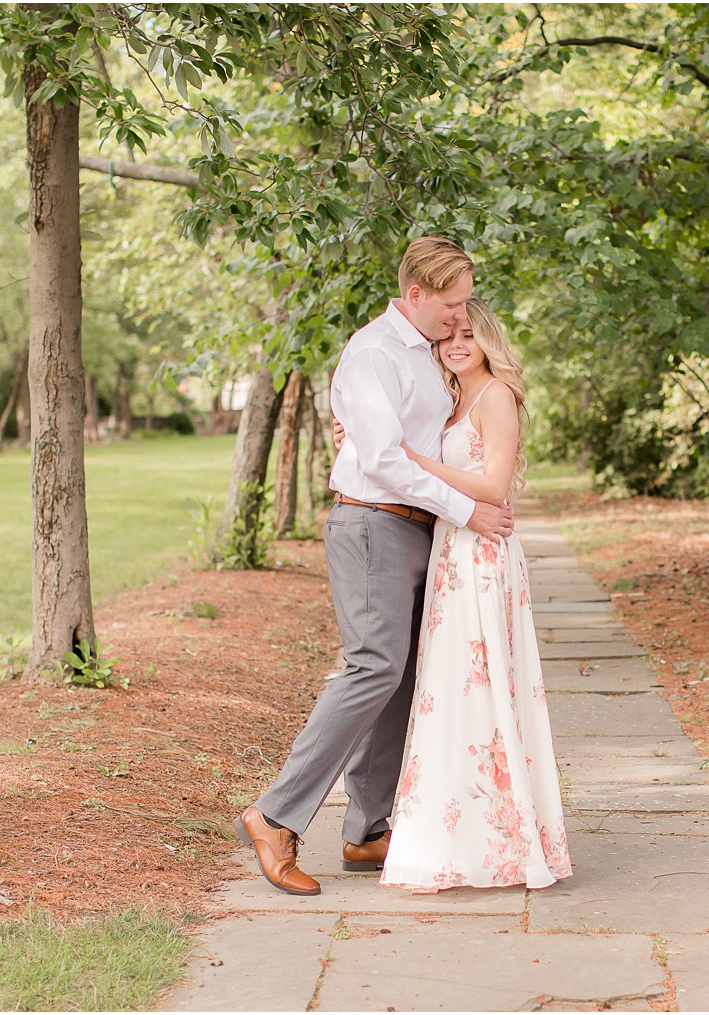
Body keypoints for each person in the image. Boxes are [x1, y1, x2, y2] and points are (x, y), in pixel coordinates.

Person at [233, 237, 515, 897]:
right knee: (375, 665)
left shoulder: (429, 357)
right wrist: (467, 509)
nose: (460, 316)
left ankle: (367, 829)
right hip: (372, 523)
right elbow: (384, 462)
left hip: (424, 531)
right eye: (451, 303)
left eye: (466, 302)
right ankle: (274, 815)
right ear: (415, 294)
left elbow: (417, 440)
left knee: (409, 674)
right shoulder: (373, 354)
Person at [373, 298, 572, 892]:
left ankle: (502, 840)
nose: (456, 345)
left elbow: (493, 484)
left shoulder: (496, 397)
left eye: (468, 335)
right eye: (446, 336)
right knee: (450, 690)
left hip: (482, 557)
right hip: (451, 554)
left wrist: (412, 459)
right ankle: (453, 833)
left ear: (487, 339)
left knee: (480, 686)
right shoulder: (451, 398)